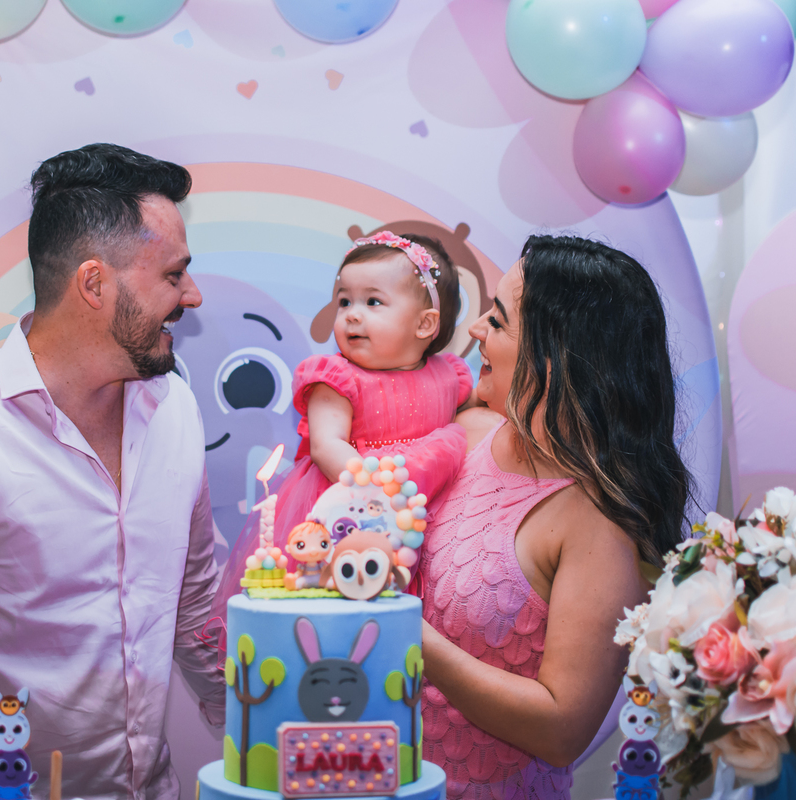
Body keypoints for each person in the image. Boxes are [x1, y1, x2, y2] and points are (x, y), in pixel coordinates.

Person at [0, 144, 225, 800]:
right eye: (174, 274)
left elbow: (194, 602)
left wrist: (266, 742)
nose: (192, 295)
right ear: (94, 284)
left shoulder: (175, 406)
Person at [418, 235, 692, 800]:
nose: (474, 331)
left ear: (554, 355)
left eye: (497, 320)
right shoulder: (464, 437)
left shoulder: (601, 521)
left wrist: (408, 637)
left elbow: (563, 728)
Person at [269, 231, 472, 544]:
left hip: (426, 510)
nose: (352, 314)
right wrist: (379, 497)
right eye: (345, 301)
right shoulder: (336, 379)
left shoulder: (449, 375)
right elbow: (327, 446)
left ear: (424, 324)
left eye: (372, 301)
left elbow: (472, 425)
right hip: (352, 510)